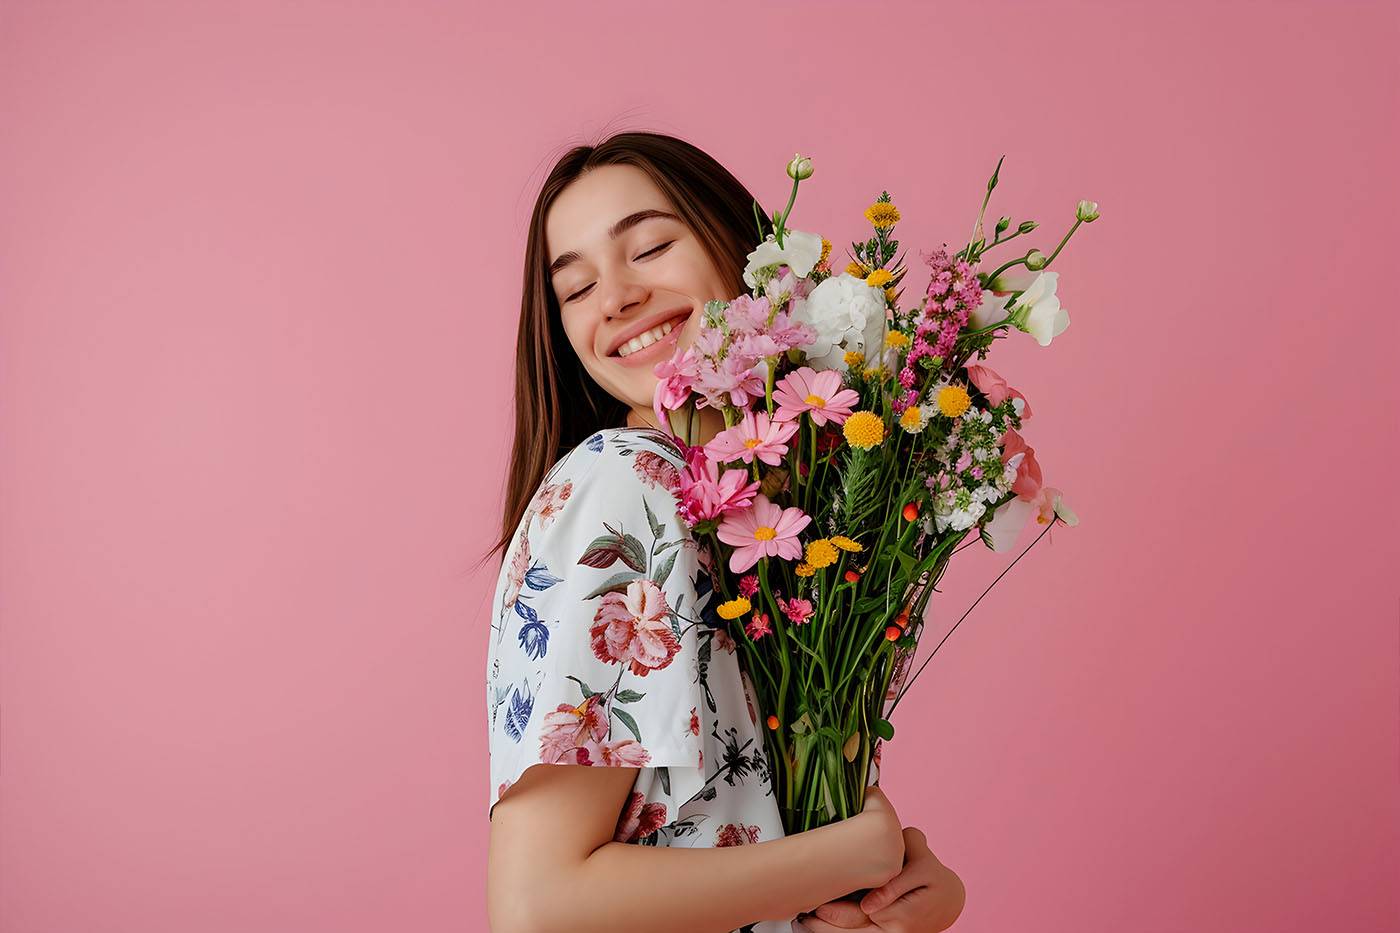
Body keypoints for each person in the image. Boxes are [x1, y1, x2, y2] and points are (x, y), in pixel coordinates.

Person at [483, 131, 966, 933]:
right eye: (575, 288)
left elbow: (723, 831)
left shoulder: (766, 513)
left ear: (741, 250)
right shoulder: (628, 484)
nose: (616, 297)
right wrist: (851, 856)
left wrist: (909, 896)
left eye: (651, 247)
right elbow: (537, 908)